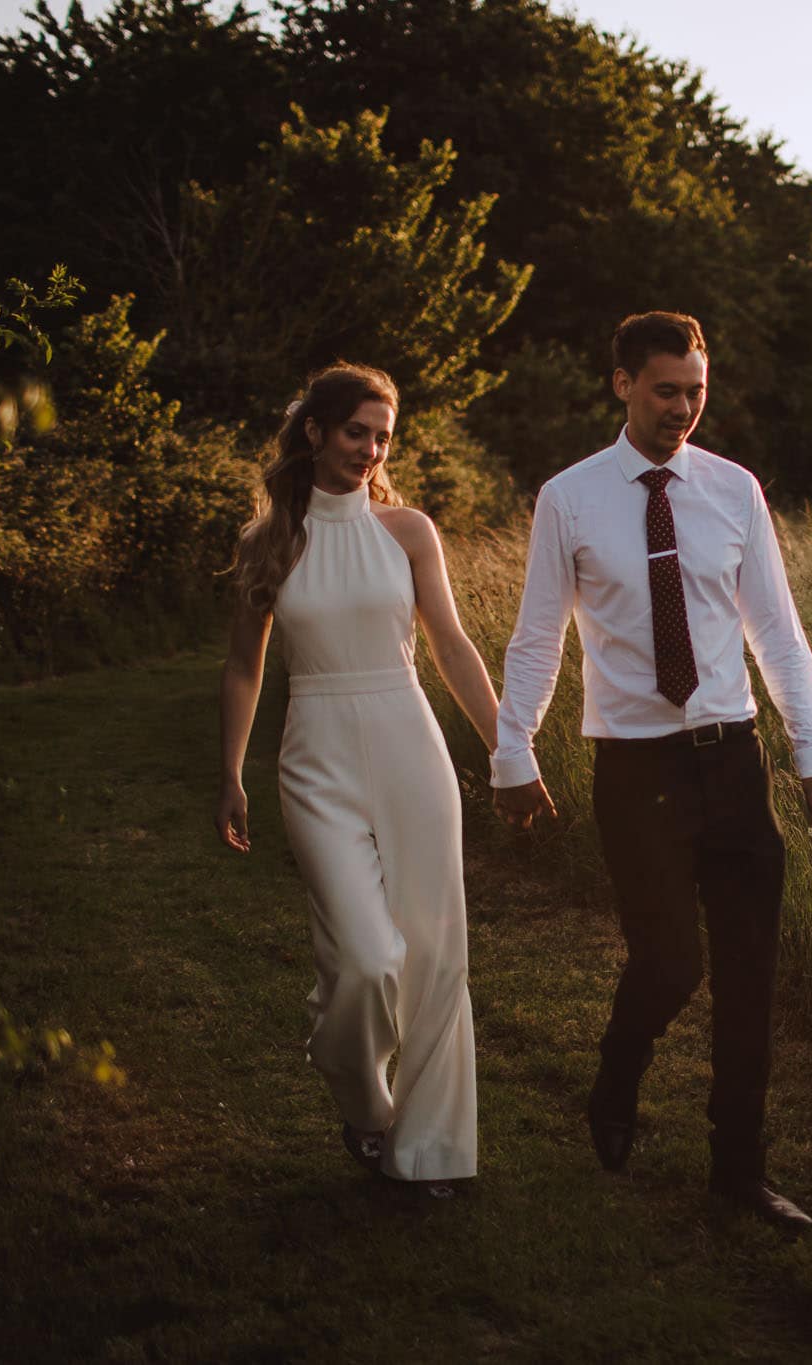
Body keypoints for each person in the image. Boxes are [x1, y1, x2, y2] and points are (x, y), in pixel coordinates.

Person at [491, 312, 812, 1232]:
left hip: (734, 758)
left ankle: (740, 1169)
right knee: (671, 962)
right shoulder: (569, 497)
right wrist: (513, 747)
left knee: (749, 973)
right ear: (621, 385)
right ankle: (618, 1074)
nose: (683, 408)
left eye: (696, 391)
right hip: (634, 767)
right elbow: (539, 635)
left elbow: (777, 630)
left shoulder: (734, 491)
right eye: (665, 390)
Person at [216, 362, 499, 1197]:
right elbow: (242, 666)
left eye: (383, 437)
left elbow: (448, 643)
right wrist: (230, 771)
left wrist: (506, 748)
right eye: (355, 433)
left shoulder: (409, 530)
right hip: (316, 754)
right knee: (369, 959)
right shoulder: (269, 541)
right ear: (314, 432)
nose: (371, 451)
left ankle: (432, 1150)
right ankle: (362, 1101)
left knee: (436, 954)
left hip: (410, 743)